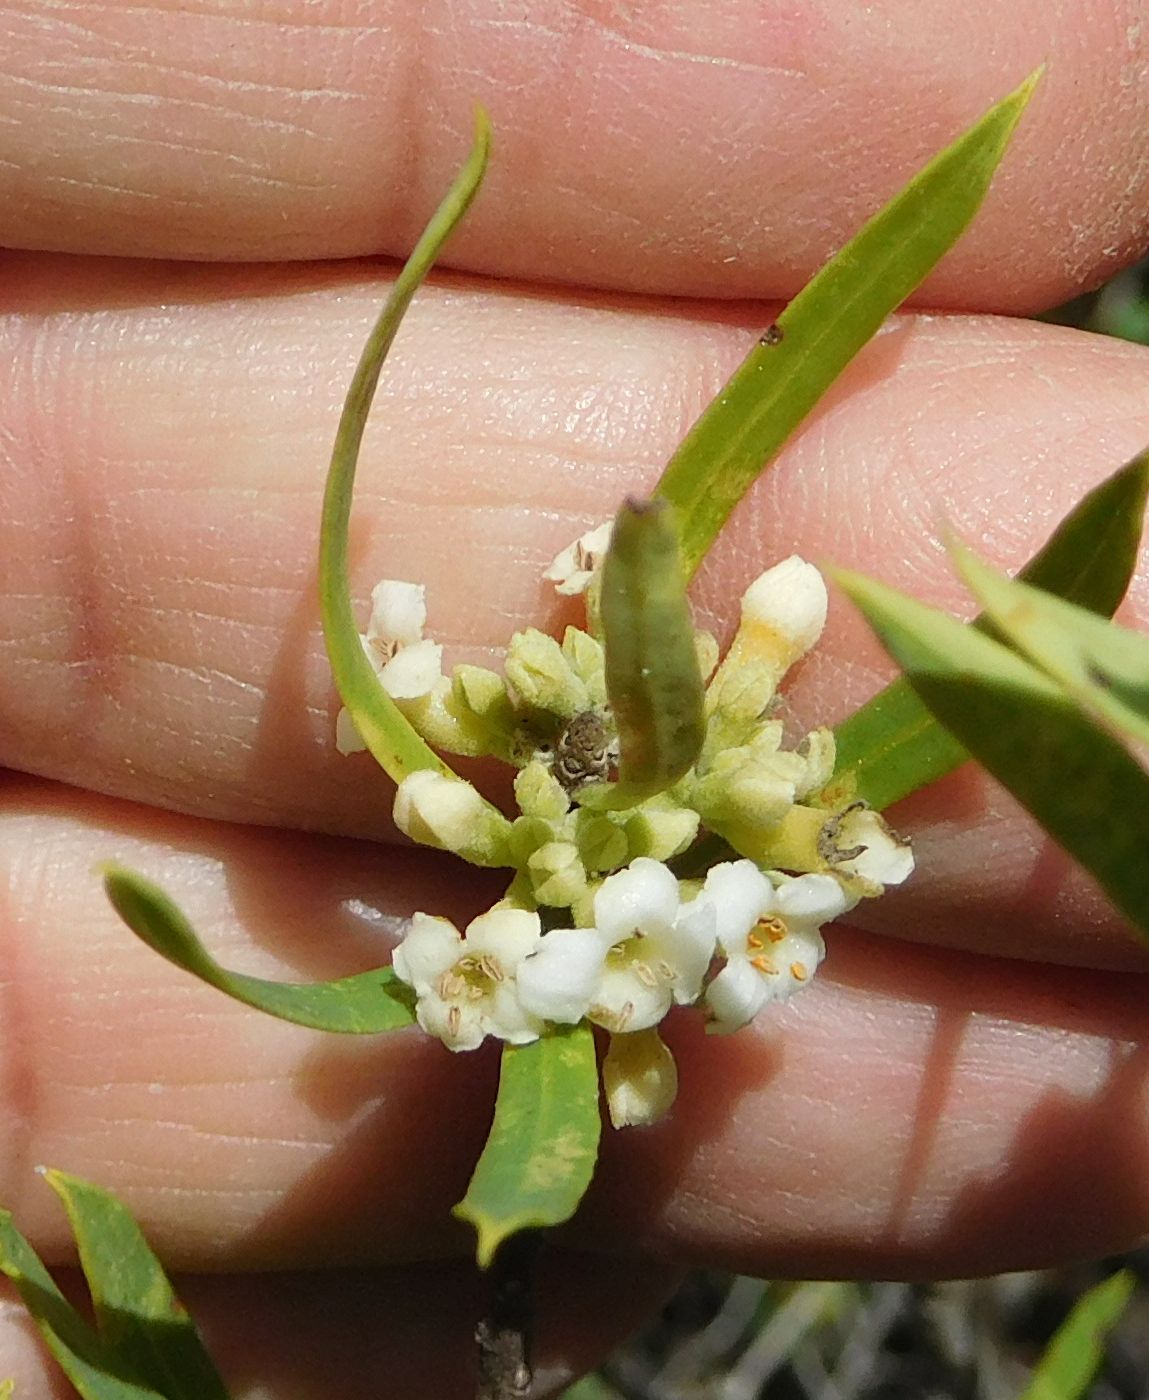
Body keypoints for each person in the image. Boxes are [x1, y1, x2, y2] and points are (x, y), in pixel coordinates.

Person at [1, 4, 1147, 1394]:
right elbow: (615, 921)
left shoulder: (683, 913)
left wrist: (636, 925)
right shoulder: (614, 891)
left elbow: (661, 940)